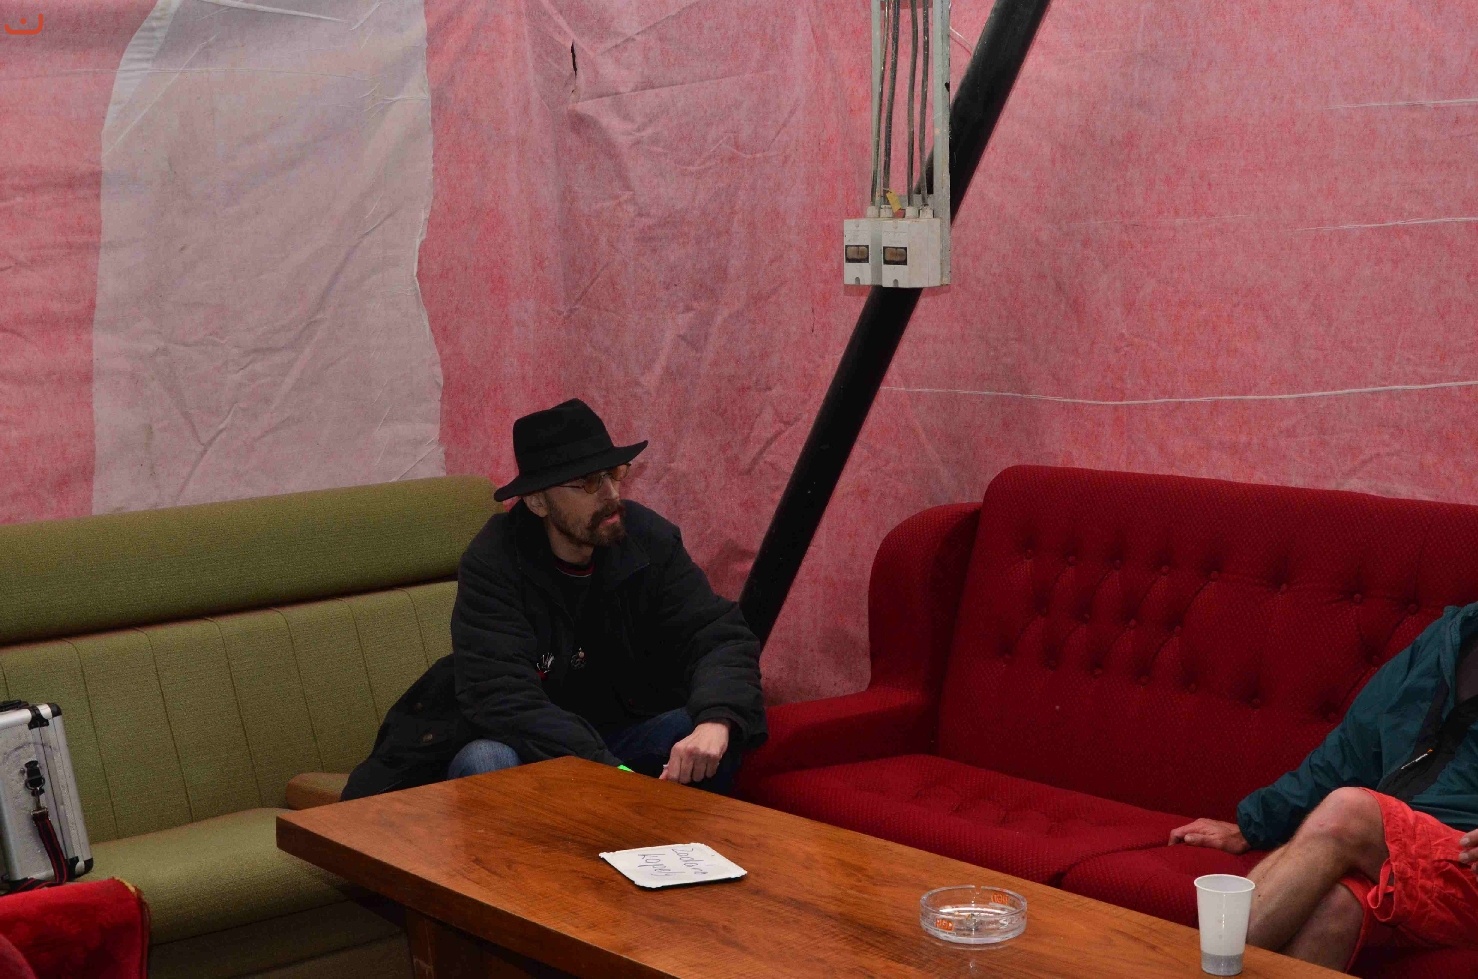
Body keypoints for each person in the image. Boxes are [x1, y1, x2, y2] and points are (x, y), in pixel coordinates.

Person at [343, 399, 765, 800]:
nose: (610, 494)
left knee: (710, 730)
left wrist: (716, 721)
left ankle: (676, 847)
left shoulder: (647, 540)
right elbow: (503, 699)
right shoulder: (494, 563)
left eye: (614, 473)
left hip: (621, 736)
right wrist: (612, 773)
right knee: (486, 760)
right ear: (537, 501)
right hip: (534, 747)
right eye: (588, 482)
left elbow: (717, 635)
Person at [1169, 601, 1478, 971]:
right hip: (1398, 853)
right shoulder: (1449, 637)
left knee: (1351, 810)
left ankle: (1186, 971)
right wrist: (1254, 827)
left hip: (1465, 860)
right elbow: (1351, 749)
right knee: (1336, 906)